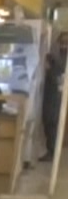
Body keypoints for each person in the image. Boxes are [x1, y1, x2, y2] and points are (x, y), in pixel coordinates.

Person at [45, 32, 66, 161]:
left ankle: (53, 151)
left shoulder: (60, 58)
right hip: (51, 94)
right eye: (62, 42)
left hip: (57, 95)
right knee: (50, 122)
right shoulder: (55, 56)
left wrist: (50, 67)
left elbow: (59, 75)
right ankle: (52, 151)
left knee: (53, 122)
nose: (64, 45)